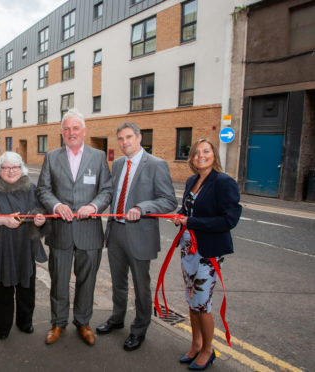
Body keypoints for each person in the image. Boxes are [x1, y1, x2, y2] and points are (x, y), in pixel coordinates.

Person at [97, 122, 177, 352]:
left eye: (129, 137)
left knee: (141, 286)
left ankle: (139, 329)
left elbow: (169, 201)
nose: (125, 143)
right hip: (117, 232)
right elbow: (113, 193)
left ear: (139, 137)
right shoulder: (119, 163)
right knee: (118, 282)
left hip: (140, 233)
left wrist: (143, 207)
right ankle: (117, 318)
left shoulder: (156, 165)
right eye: (121, 139)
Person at [37, 108, 112, 346]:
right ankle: (58, 323)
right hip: (60, 231)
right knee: (58, 280)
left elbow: (107, 190)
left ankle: (83, 322)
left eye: (75, 128)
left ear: (84, 131)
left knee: (87, 281)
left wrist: (94, 205)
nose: (71, 133)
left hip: (89, 230)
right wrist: (56, 205)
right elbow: (43, 190)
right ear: (61, 132)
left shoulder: (98, 157)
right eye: (67, 129)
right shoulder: (51, 157)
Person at [173, 138, 241, 370]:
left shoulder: (223, 182)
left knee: (202, 303)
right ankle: (195, 344)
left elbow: (228, 220)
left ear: (214, 155)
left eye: (206, 151)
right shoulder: (193, 180)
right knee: (192, 300)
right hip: (188, 249)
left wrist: (190, 221)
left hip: (207, 253)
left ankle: (207, 350)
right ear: (191, 158)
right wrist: (180, 216)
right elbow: (188, 209)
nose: (201, 156)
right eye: (196, 153)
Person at [0, 152, 47, 339]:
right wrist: (3, 220)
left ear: (21, 169)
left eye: (15, 167)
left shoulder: (30, 188)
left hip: (25, 247)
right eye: (6, 167)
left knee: (26, 289)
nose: (10, 171)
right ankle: (3, 326)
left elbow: (40, 210)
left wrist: (39, 219)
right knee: (3, 292)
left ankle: (25, 322)